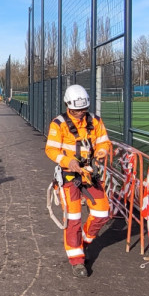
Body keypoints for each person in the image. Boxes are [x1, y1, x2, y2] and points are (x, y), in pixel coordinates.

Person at [44, 84, 112, 278]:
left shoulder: (95, 121)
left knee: (102, 212)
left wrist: (101, 151)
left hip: (89, 173)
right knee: (73, 219)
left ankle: (83, 242)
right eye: (76, 110)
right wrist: (68, 161)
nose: (81, 113)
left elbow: (103, 141)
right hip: (68, 176)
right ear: (68, 106)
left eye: (83, 109)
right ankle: (77, 260)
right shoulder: (59, 124)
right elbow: (51, 150)